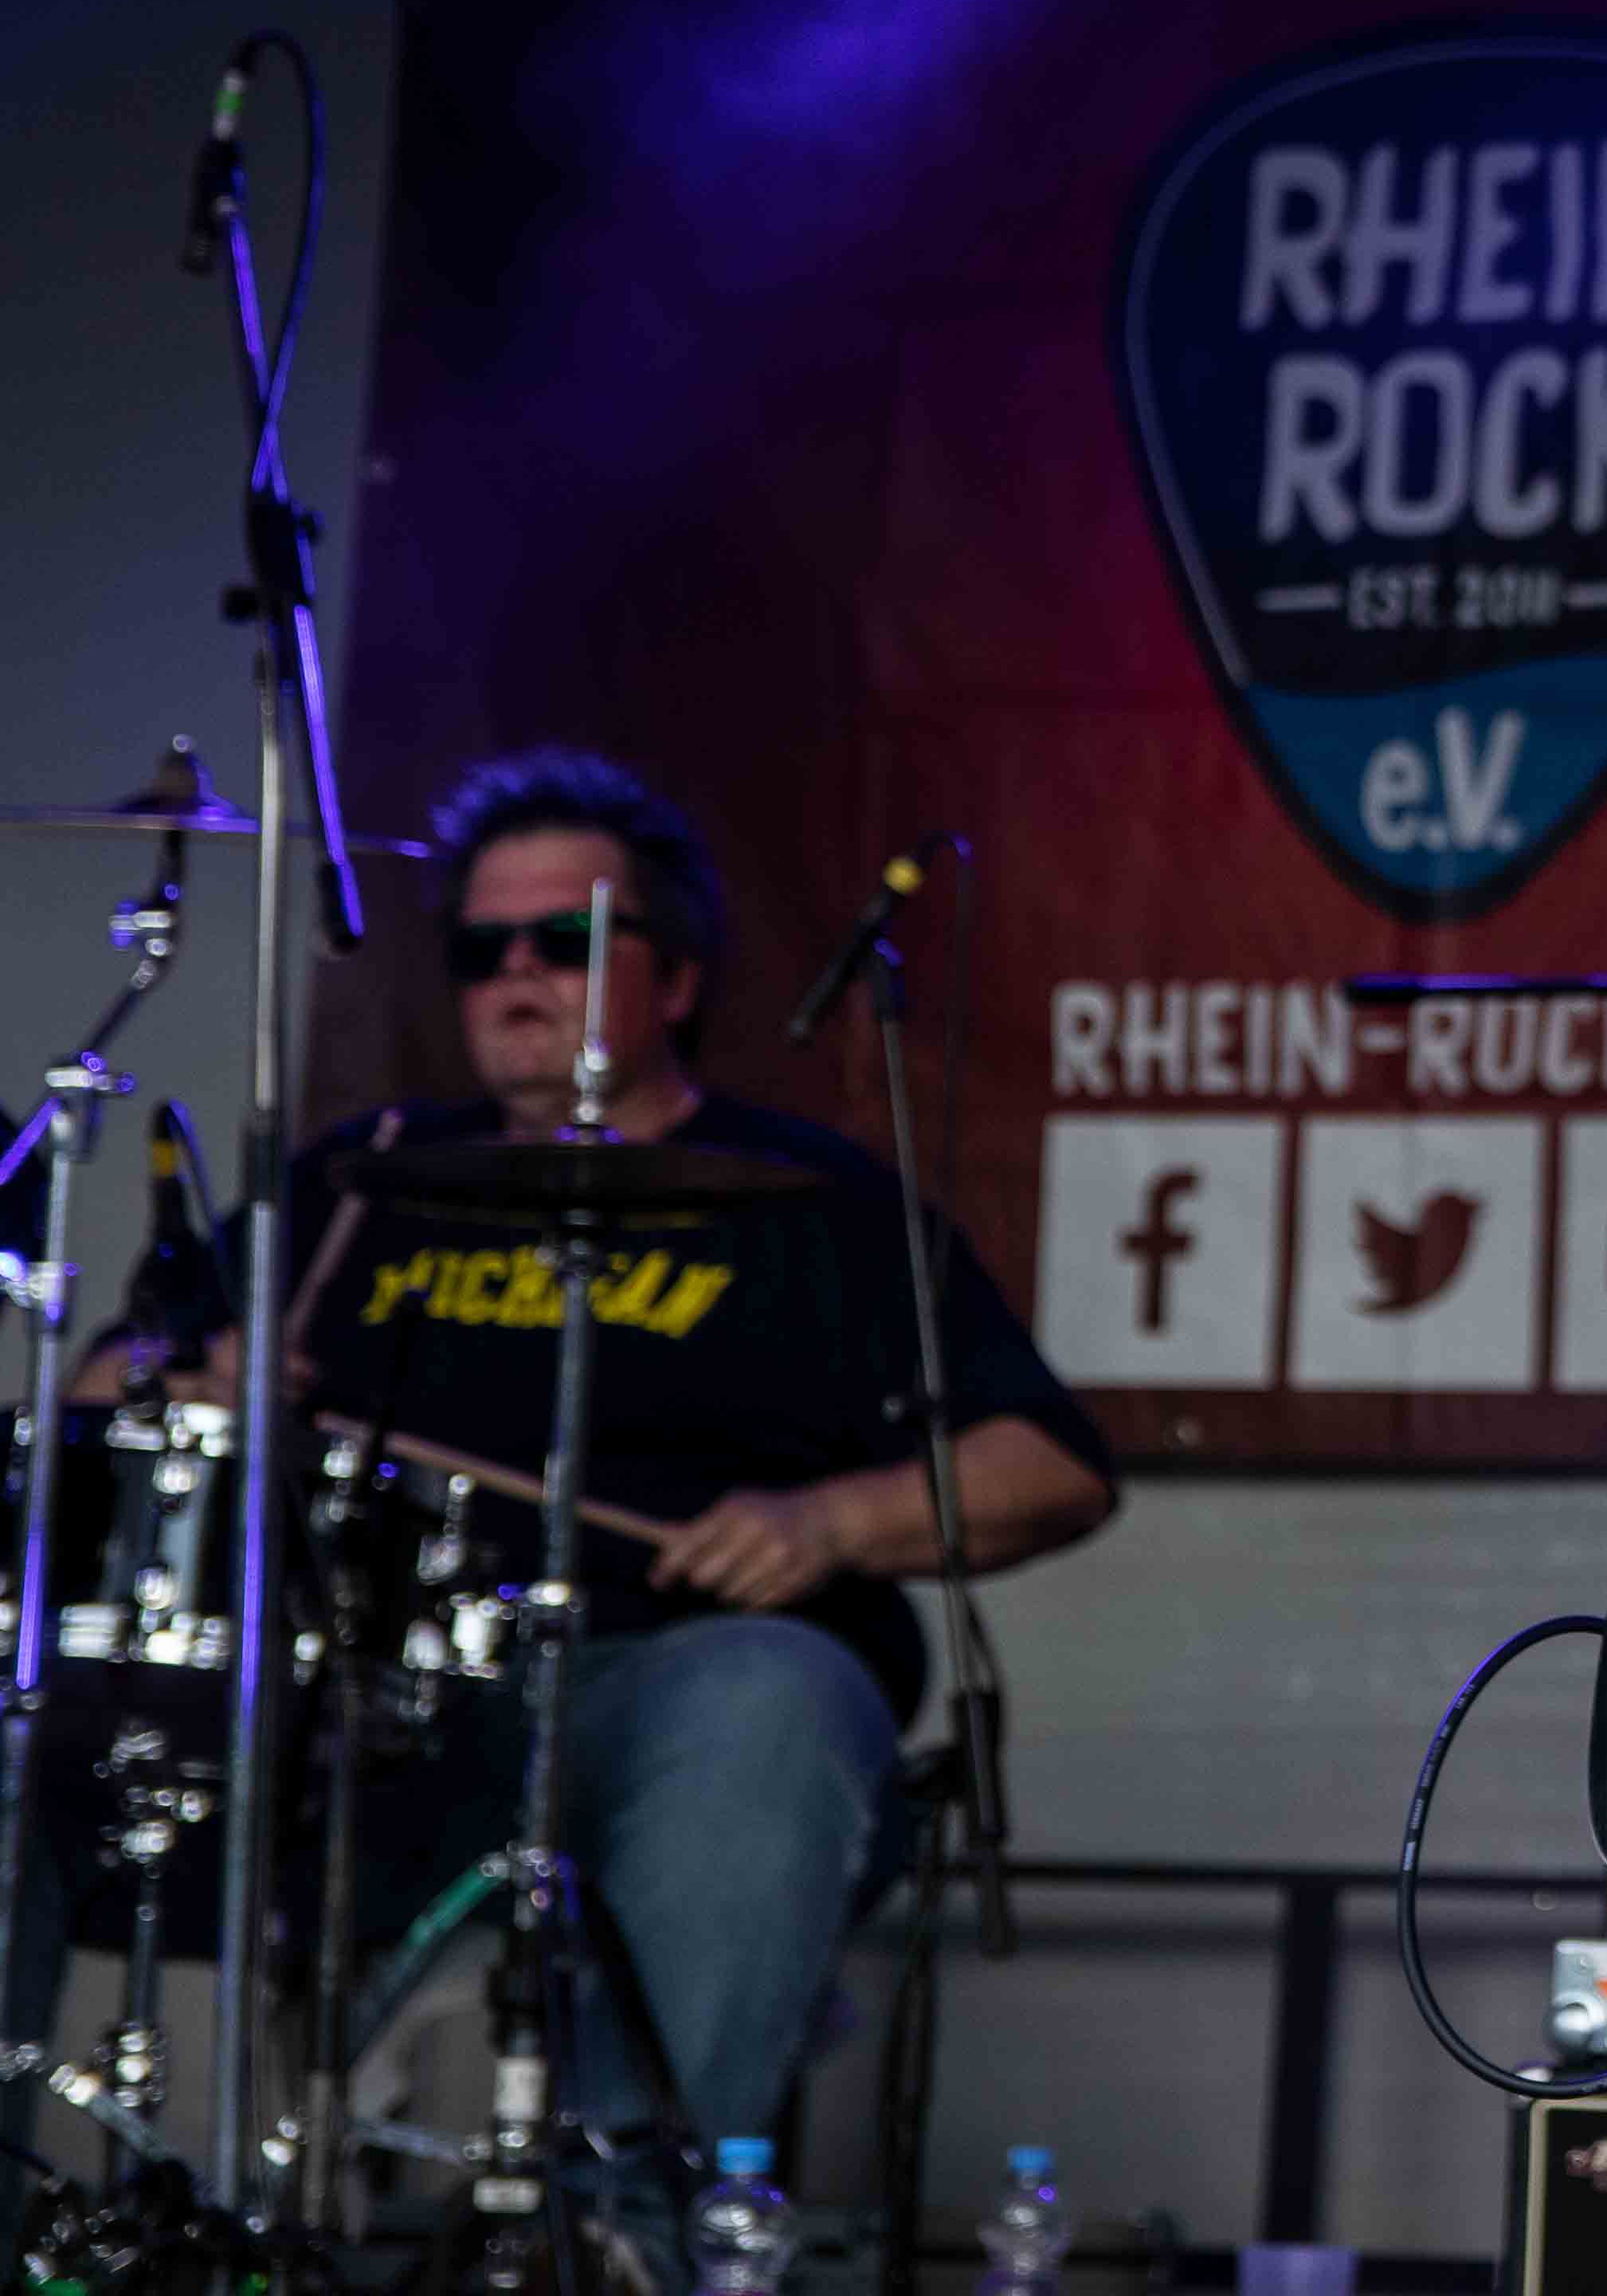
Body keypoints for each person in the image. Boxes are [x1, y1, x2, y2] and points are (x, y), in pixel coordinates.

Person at [43, 747, 1115, 2196]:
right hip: (366, 1708)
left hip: (669, 1684)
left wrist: (830, 1521)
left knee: (771, 1701)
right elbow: (111, 1384)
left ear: (678, 979)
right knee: (33, 1715)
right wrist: (196, 1377)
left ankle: (622, 2228)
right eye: (483, 950)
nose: (517, 979)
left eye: (566, 942)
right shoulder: (362, 1181)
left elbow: (1051, 1466)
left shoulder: (820, 1207)